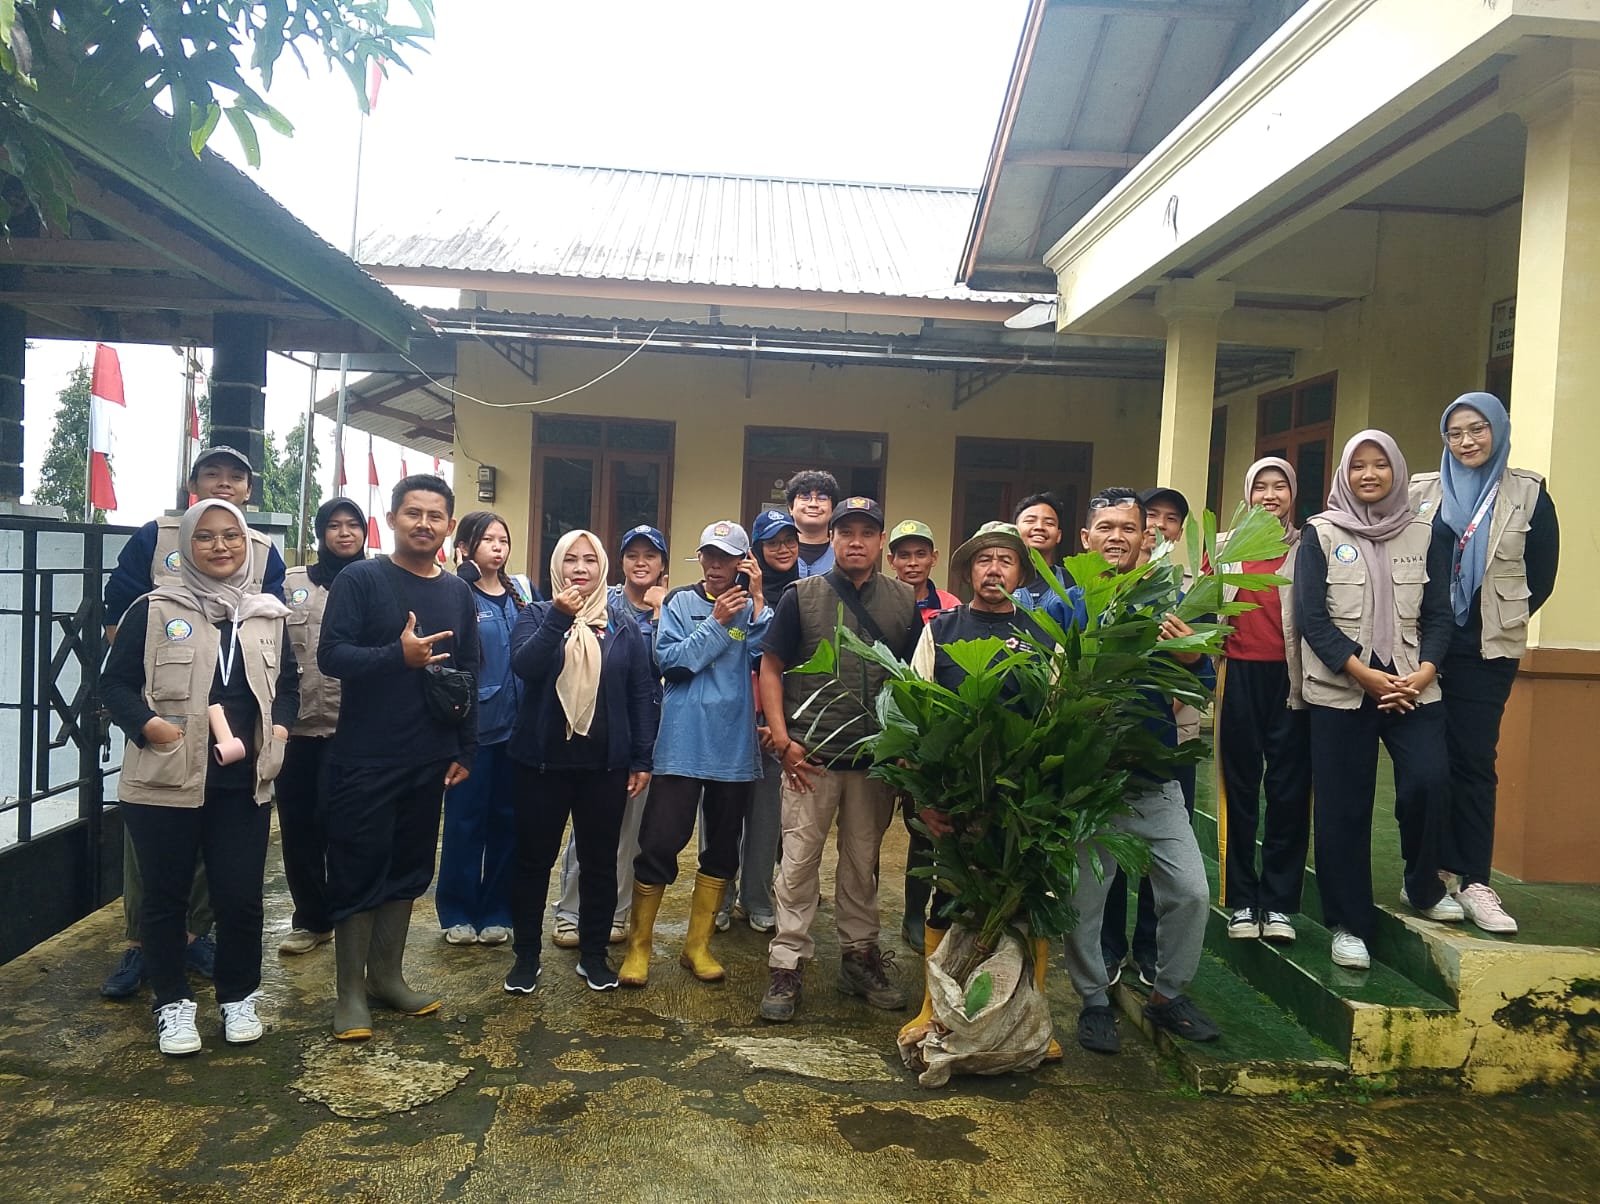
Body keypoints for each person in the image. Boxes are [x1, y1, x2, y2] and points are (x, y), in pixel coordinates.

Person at [100, 499, 297, 1055]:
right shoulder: (154, 608)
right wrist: (151, 727)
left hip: (243, 785)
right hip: (165, 779)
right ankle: (172, 1004)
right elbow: (113, 685)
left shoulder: (266, 614)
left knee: (241, 898)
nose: (219, 546)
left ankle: (238, 997)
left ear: (247, 545)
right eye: (206, 537)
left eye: (230, 536)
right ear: (186, 545)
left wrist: (279, 732)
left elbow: (289, 684)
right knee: (165, 898)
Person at [317, 473, 480, 1040]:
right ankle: (349, 994)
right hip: (365, 755)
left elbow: (470, 672)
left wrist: (466, 747)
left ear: (450, 526)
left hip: (429, 756)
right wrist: (397, 656)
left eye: (435, 516)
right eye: (413, 513)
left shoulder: (458, 591)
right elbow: (331, 655)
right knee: (358, 869)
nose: (424, 524)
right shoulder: (362, 579)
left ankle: (387, 978)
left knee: (410, 868)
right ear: (389, 520)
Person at [1057, 487, 1218, 1053]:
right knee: (1085, 905)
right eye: (1106, 527)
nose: (1117, 537)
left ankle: (1167, 994)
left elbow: (1203, 685)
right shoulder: (1063, 603)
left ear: (1146, 538)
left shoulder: (1169, 606)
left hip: (1154, 782)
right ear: (1085, 538)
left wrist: (1194, 657)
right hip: (1088, 784)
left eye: (1129, 528)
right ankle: (1094, 1000)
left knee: (1192, 893)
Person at [1295, 432, 1457, 972]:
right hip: (1345, 686)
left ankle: (1423, 883)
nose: (1369, 474)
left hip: (1412, 681)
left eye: (1380, 465)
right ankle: (1349, 924)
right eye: (1358, 466)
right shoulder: (1321, 533)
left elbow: (1439, 613)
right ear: (1345, 474)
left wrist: (1425, 670)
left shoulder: (1425, 532)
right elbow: (1312, 618)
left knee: (1429, 779)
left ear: (1397, 470)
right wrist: (1361, 674)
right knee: (1344, 806)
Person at [897, 521, 1059, 1057]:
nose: (994, 569)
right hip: (953, 798)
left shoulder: (1042, 635)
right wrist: (925, 798)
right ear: (967, 571)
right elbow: (915, 714)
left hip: (1022, 800)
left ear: (1021, 571)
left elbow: (1059, 720)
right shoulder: (941, 630)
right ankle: (932, 1006)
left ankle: (1032, 1014)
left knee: (1029, 901)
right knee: (947, 897)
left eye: (1006, 560)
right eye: (984, 560)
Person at [757, 497, 920, 1023]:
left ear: (879, 541)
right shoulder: (801, 596)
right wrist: (783, 741)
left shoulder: (901, 600)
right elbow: (771, 667)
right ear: (830, 537)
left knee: (862, 866)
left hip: (874, 762)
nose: (855, 540)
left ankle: (859, 956)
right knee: (799, 865)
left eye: (865, 532)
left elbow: (917, 679)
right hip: (812, 757)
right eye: (844, 531)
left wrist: (904, 750)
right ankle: (787, 964)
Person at [1411, 393, 1559, 935]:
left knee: (1473, 762)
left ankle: (1473, 880)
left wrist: (1489, 619)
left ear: (1498, 430)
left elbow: (1539, 577)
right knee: (1425, 765)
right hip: (1425, 648)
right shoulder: (1421, 491)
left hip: (1484, 651)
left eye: (1477, 430)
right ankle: (1424, 874)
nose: (1467, 441)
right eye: (1456, 433)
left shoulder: (1529, 494)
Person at [504, 530, 657, 994]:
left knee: (599, 864)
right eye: (570, 560)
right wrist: (558, 618)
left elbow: (639, 694)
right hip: (540, 765)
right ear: (557, 566)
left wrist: (641, 757)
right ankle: (526, 956)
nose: (580, 568)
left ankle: (593, 955)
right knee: (533, 862)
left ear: (602, 568)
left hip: (603, 769)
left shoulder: (623, 625)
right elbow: (526, 667)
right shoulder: (533, 615)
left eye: (590, 560)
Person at [620, 521, 771, 987]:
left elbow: (764, 658)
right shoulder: (680, 602)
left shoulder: (754, 609)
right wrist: (718, 622)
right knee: (661, 842)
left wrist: (759, 606)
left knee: (723, 849)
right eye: (708, 555)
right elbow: (672, 661)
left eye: (726, 557)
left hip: (733, 746)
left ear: (744, 563)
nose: (715, 566)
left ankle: (697, 945)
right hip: (683, 743)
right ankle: (639, 946)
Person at [1100, 485, 1200, 986]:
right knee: (1107, 867)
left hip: (1161, 750)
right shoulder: (1083, 599)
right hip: (1096, 757)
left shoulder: (1181, 600)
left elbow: (1202, 677)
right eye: (1150, 517)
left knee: (1169, 871)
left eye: (1169, 519)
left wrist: (1190, 663)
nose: (1158, 528)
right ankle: (1109, 953)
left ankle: (1150, 952)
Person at [552, 524, 668, 949]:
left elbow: (662, 670)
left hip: (643, 734)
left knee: (629, 834)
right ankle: (569, 913)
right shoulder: (605, 604)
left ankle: (615, 914)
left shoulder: (673, 607)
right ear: (617, 563)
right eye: (632, 555)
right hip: (593, 735)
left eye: (650, 556)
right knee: (586, 833)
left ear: (662, 565)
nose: (641, 563)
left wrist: (660, 613)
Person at [1214, 460, 1312, 945]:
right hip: (1239, 675)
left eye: (1279, 487)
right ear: (1247, 493)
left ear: (1293, 493)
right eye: (1260, 487)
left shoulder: (1308, 546)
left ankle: (1279, 904)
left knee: (1289, 791)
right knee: (1240, 787)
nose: (1270, 495)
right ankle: (1241, 901)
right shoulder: (1225, 548)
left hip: (1293, 680)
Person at [275, 498, 366, 956]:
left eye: (353, 525)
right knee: (299, 825)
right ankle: (311, 919)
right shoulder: (291, 584)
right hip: (297, 727)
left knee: (347, 826)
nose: (344, 533)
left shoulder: (378, 582)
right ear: (320, 533)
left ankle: (351, 917)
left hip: (357, 727)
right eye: (334, 525)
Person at [435, 511, 527, 947]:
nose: (497, 546)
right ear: (467, 546)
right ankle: (457, 910)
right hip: (474, 731)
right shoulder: (456, 594)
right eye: (487, 539)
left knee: (508, 824)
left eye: (503, 539)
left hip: (517, 732)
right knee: (464, 824)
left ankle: (498, 910)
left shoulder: (521, 594)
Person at [713, 508, 799, 934]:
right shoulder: (730, 598)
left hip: (775, 727)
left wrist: (779, 724)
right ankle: (719, 897)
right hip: (731, 725)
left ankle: (759, 898)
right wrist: (757, 599)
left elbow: (797, 671)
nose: (782, 549)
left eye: (789, 540)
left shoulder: (808, 593)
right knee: (721, 819)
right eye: (772, 543)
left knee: (767, 822)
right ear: (755, 552)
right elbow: (737, 659)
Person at [884, 517, 959, 951]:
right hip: (887, 727)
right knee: (875, 830)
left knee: (926, 828)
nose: (912, 562)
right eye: (903, 554)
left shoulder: (951, 606)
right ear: (891, 560)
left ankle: (918, 915)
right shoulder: (881, 600)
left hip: (931, 732)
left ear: (934, 557)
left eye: (920, 553)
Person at [1013, 492, 1072, 608]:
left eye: (1049, 523)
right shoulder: (1001, 576)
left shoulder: (1072, 581)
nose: (1039, 527)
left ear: (1059, 535)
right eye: (1030, 521)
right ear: (1015, 530)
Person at [787, 469, 840, 575]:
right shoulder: (775, 553)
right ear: (790, 508)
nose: (813, 504)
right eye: (805, 497)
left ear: (833, 509)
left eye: (822, 498)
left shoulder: (842, 554)